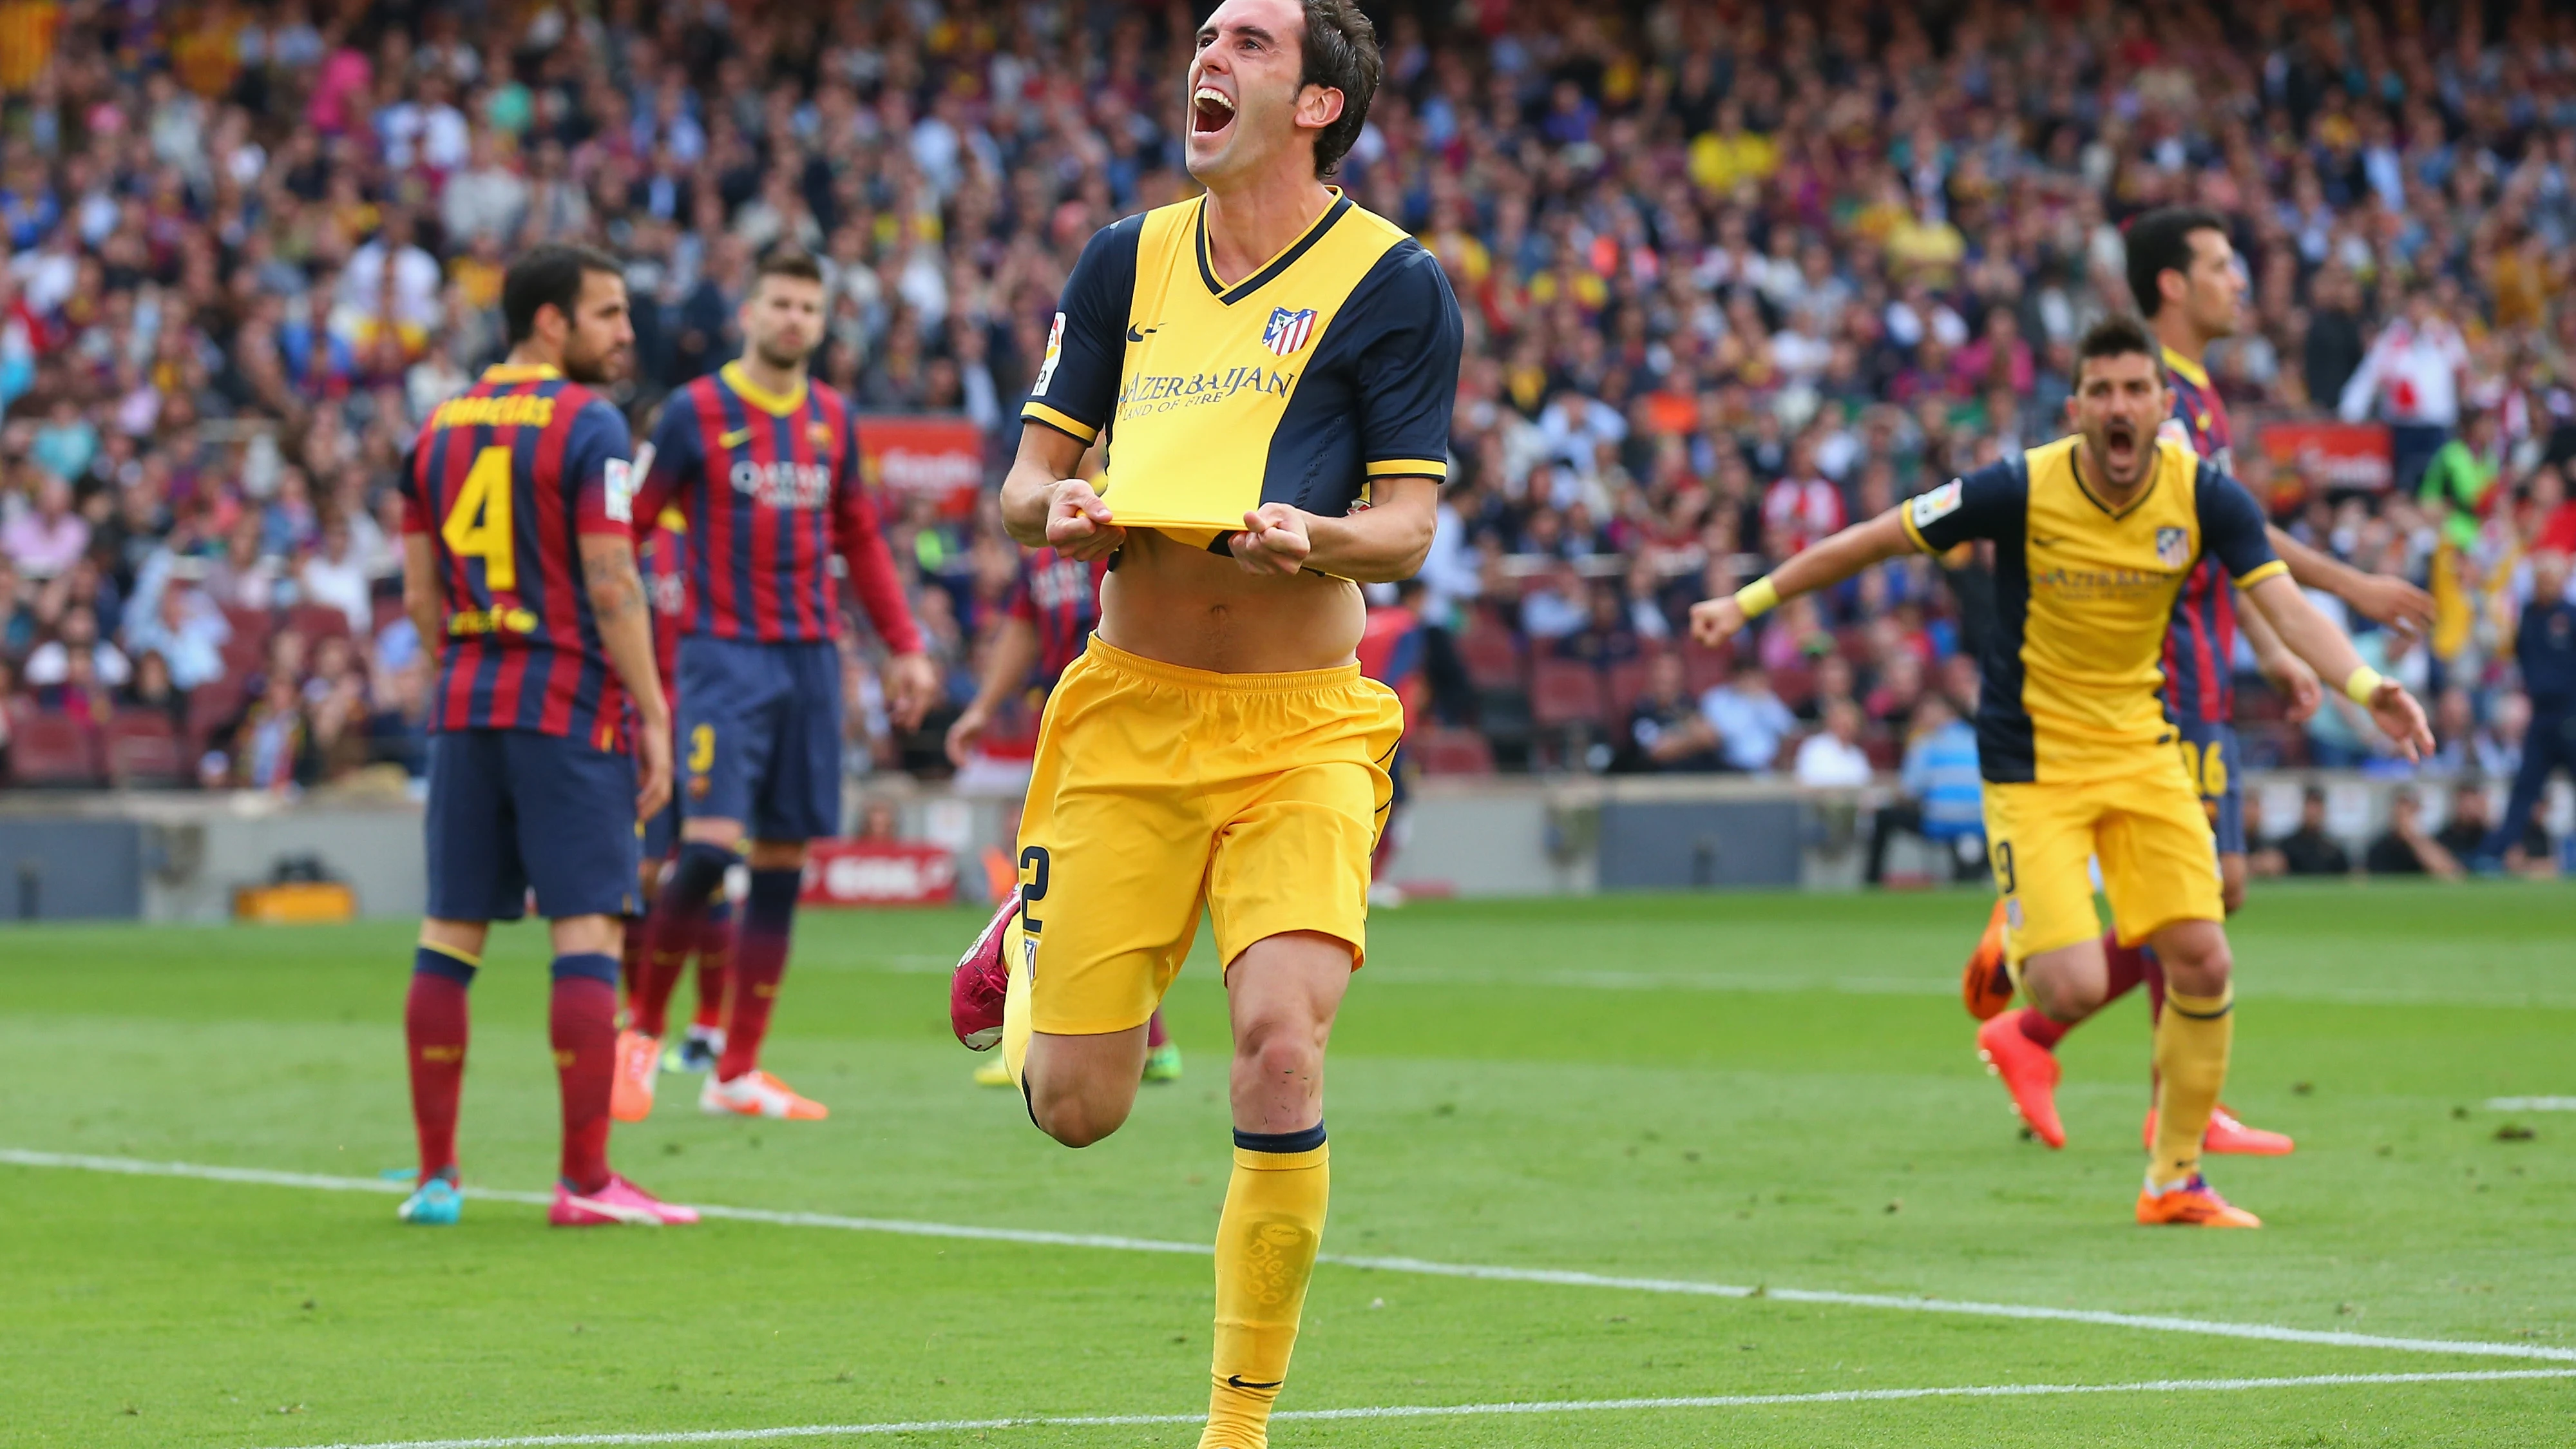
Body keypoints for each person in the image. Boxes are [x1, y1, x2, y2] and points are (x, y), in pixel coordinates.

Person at [946, 1, 1460, 1439]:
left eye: (1246, 44)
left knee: (1282, 1042)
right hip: (1127, 712)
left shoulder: (1393, 282)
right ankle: (1045, 926)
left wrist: (1319, 537)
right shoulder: (1127, 257)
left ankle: (1234, 1427)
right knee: (1076, 1105)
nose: (1207, 61)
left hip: (1303, 724)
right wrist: (1051, 507)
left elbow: (1409, 525)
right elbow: (1016, 485)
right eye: (1206, 38)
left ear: (1318, 104)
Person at [1691, 315, 2430, 1227]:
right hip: (2033, 763)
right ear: (2075, 406)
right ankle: (2013, 931)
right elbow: (1873, 539)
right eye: (2102, 392)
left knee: (2201, 956)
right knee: (2072, 986)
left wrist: (2364, 683)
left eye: (2136, 391)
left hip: (2141, 751)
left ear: (2164, 407)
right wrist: (1746, 600)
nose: (2119, 409)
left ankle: (2171, 1180)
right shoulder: (2018, 488)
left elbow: (2281, 603)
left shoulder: (2203, 497)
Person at [1955, 207, 2430, 1158]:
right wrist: (2347, 585)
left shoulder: (2198, 396)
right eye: (2221, 265)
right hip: (2156, 675)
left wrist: (2272, 648)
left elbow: (2224, 539)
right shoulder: (2146, 392)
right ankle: (2060, 1007)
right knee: (2203, 893)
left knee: (2217, 893)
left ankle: (2126, 1063)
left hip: (2206, 658)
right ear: (2170, 284)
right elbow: (2229, 534)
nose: (2240, 280)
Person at [394, 242, 692, 1229]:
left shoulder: (435, 428)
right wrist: (651, 711)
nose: (626, 333)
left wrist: (470, 658)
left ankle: (436, 1179)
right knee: (589, 927)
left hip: (467, 697)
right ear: (550, 323)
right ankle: (586, 1181)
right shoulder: (589, 423)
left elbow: (421, 597)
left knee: (451, 933)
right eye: (608, 314)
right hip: (565, 702)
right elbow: (612, 581)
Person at [618, 247, 936, 1123]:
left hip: (809, 661)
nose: (794, 318)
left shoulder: (831, 418)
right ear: (747, 314)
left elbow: (861, 539)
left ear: (823, 321)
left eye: (808, 305)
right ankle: (639, 1031)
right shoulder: (693, 414)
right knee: (711, 847)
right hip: (722, 657)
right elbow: (631, 527)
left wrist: (902, 644)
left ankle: (735, 1070)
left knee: (783, 862)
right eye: (779, 303)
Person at [947, 539, 1181, 1088]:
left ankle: (1046, 1040)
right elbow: (1024, 629)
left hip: (1130, 719)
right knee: (1077, 874)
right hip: (1066, 721)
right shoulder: (1048, 537)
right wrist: (982, 708)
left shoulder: (1131, 514)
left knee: (1080, 874)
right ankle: (1146, 1041)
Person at [618, 503, 733, 1083]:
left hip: (702, 717)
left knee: (706, 867)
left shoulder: (708, 529)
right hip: (634, 717)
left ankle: (708, 1028)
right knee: (634, 877)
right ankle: (637, 1023)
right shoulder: (621, 531)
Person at [2479, 550, 2575, 868]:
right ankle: (2496, 854)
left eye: (2549, 579)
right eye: (2539, 579)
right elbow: (2517, 657)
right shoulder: (2528, 617)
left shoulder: (2570, 616)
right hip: (2541, 716)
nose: (2543, 585)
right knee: (2524, 788)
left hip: (2571, 714)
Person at [1867, 693, 1985, 887]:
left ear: (1948, 713)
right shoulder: (1977, 739)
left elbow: (1909, 791)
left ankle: (1871, 881)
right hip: (1979, 822)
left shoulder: (1927, 742)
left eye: (1927, 713)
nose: (1923, 718)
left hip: (1940, 822)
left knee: (1884, 817)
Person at [1612, 649, 1722, 772]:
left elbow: (1711, 738)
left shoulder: (1690, 705)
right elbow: (1658, 750)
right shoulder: (1642, 712)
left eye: (1671, 669)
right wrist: (1694, 739)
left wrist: (1676, 741)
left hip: (1699, 779)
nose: (1665, 676)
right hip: (1662, 783)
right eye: (1661, 669)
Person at [2364, 787, 2464, 879]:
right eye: (2401, 808)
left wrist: (2414, 838)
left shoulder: (2432, 843)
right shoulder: (2378, 848)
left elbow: (2452, 875)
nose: (2404, 814)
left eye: (2410, 809)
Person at [1791, 698, 1873, 786]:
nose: (1847, 728)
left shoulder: (1858, 755)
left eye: (1851, 724)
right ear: (1831, 721)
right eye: (1842, 723)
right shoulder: (1814, 748)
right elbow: (1808, 784)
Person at [2273, 785, 2352, 876]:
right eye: (2309, 806)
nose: (2313, 812)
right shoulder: (2286, 847)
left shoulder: (2334, 849)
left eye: (2317, 806)